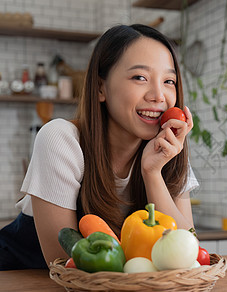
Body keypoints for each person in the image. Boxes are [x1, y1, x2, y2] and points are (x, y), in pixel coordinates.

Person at [0, 24, 198, 270]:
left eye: (169, 81)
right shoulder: (61, 139)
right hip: (23, 277)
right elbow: (63, 263)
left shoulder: (168, 149)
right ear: (100, 87)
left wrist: (152, 173)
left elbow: (186, 253)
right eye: (140, 77)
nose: (159, 95)